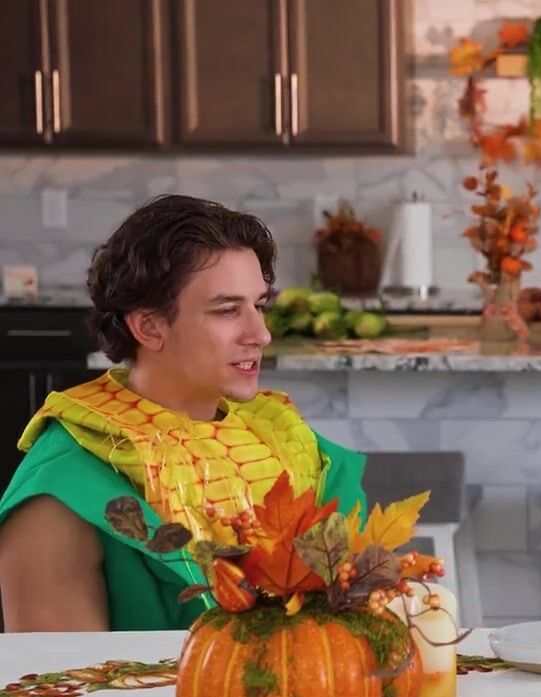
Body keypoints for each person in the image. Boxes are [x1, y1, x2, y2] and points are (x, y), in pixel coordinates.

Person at [0, 195, 367, 632]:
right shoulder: (63, 487)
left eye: (259, 305)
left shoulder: (288, 440)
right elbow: (66, 671)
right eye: (227, 310)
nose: (261, 334)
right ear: (148, 326)